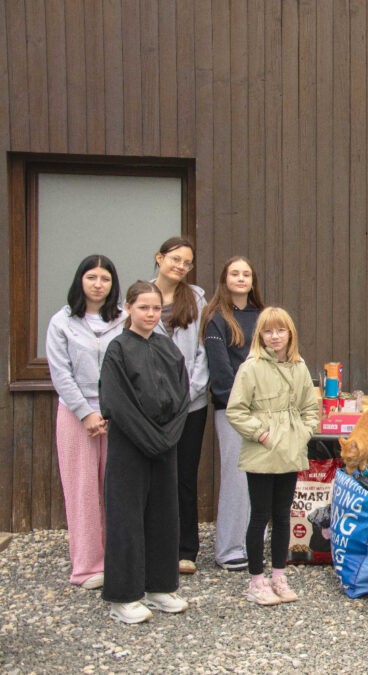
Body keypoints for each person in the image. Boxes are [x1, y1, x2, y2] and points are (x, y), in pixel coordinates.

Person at [99, 281, 191, 624]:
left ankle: (160, 586)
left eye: (155, 308)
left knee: (164, 516)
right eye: (143, 308)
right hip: (130, 447)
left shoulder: (169, 349)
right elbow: (117, 402)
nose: (150, 314)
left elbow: (183, 396)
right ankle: (123, 595)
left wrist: (168, 436)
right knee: (126, 517)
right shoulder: (118, 350)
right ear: (128, 309)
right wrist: (151, 438)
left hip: (166, 446)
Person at [226, 307, 320, 606]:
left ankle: (279, 575)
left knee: (283, 516)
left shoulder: (299, 366)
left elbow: (310, 408)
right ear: (260, 335)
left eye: (281, 330)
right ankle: (256, 580)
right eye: (268, 331)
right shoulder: (250, 367)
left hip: (290, 449)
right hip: (262, 451)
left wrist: (302, 433)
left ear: (290, 333)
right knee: (259, 516)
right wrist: (262, 433)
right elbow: (236, 410)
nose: (275, 336)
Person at [45, 255, 126, 590]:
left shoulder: (123, 319)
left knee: (116, 489)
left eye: (105, 278)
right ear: (80, 280)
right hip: (76, 416)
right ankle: (87, 566)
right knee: (82, 490)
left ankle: (118, 559)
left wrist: (110, 409)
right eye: (91, 277)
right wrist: (86, 413)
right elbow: (60, 373)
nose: (98, 284)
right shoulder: (62, 322)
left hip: (116, 415)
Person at [201, 256, 265, 572]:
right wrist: (240, 408)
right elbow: (221, 372)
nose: (240, 278)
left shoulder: (263, 316)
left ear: (253, 280)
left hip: (266, 411)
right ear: (225, 279)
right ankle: (229, 548)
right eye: (234, 273)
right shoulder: (217, 319)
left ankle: (254, 541)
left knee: (262, 477)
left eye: (246, 274)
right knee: (237, 478)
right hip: (232, 411)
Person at [151, 237, 208, 576]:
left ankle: (186, 549)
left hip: (191, 404)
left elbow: (203, 351)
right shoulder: (141, 296)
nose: (181, 266)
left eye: (187, 263)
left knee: (184, 476)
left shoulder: (197, 298)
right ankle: (156, 544)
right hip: (152, 406)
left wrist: (190, 391)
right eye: (175, 259)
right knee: (155, 475)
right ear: (160, 258)